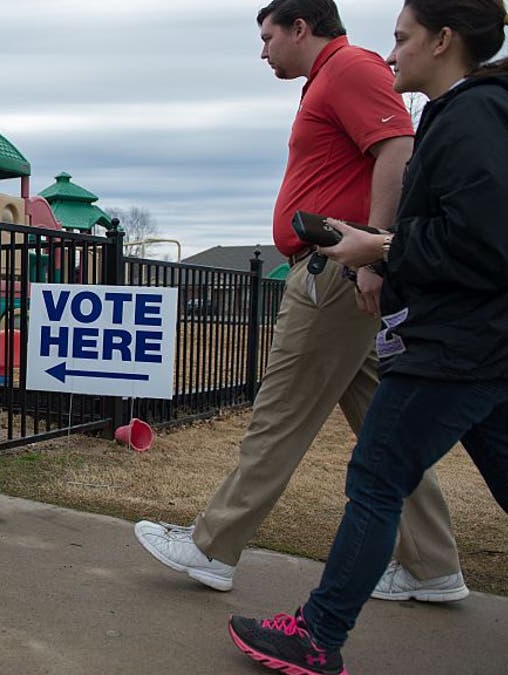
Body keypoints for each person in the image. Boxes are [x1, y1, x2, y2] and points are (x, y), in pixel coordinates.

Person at [229, 1, 508, 672]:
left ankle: (317, 634)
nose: (392, 51)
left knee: (376, 477)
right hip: (491, 344)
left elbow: (490, 244)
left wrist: (381, 246)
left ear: (442, 40)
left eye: (402, 38)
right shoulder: (473, 112)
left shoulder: (476, 115)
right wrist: (385, 246)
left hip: (462, 345)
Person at [134, 0, 466, 600]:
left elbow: (397, 149)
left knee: (278, 417)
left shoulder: (349, 69)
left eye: (267, 37)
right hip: (344, 271)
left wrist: (377, 251)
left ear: (300, 28)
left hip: (335, 269)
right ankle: (432, 566)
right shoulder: (332, 77)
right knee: (388, 433)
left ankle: (213, 547)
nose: (263, 51)